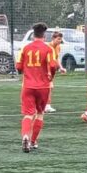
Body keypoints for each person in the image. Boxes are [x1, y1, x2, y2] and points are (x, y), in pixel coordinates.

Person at [16, 22, 58, 153]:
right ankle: (33, 141)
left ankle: (25, 136)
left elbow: (18, 67)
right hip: (43, 86)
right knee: (40, 113)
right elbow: (53, 65)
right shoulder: (48, 49)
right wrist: (51, 76)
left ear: (33, 35)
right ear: (44, 36)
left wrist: (26, 72)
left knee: (28, 114)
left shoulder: (25, 48)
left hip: (28, 86)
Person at [44, 31, 67, 113]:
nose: (60, 41)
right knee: (49, 87)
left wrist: (61, 67)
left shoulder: (58, 47)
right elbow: (46, 60)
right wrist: (48, 71)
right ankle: (46, 106)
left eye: (61, 39)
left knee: (49, 87)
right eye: (58, 39)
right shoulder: (48, 47)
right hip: (46, 69)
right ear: (53, 38)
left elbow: (56, 58)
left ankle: (44, 105)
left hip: (52, 69)